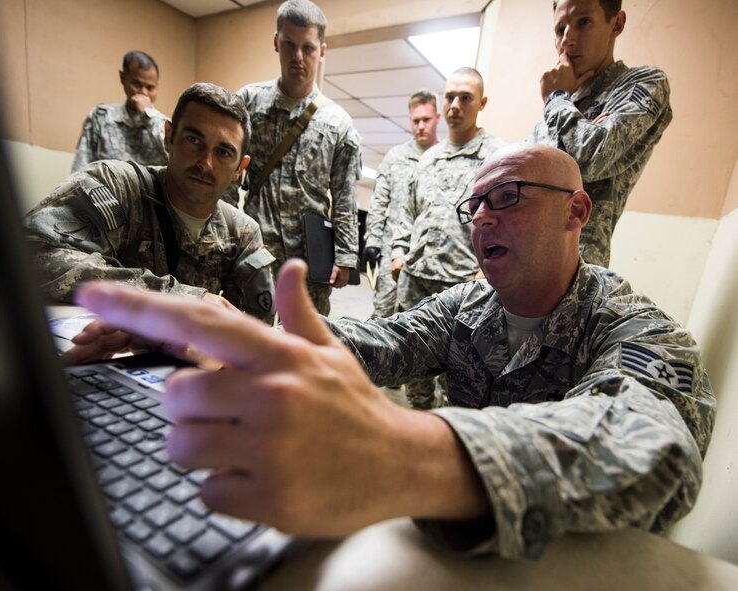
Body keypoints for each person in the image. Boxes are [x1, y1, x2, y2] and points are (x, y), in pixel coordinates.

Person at [71, 143, 714, 561]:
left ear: (576, 211)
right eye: (476, 203)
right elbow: (371, 343)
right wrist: (220, 329)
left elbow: (653, 445)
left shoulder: (632, 324)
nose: (484, 216)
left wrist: (411, 452)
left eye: (509, 196)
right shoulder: (467, 306)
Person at [24, 82, 276, 324]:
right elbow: (32, 254)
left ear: (239, 169)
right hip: (97, 356)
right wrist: (171, 297)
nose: (205, 163)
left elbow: (258, 330)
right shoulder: (116, 186)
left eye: (223, 152)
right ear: (169, 137)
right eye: (193, 140)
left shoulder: (241, 233)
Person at [222, 0, 361, 316]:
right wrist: (225, 237)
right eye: (289, 44)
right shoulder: (248, 103)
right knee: (246, 338)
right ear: (276, 43)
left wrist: (345, 257)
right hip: (253, 253)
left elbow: (344, 198)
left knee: (305, 347)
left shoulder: (338, 123)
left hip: (309, 262)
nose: (298, 57)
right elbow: (228, 178)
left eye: (308, 48)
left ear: (322, 51)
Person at [390, 68, 504, 409]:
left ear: (481, 103)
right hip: (417, 279)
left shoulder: (497, 157)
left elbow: (506, 221)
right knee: (413, 368)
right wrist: (399, 252)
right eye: (450, 97)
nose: (455, 105)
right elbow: (406, 212)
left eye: (465, 98)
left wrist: (489, 269)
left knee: (460, 377)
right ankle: (417, 433)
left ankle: (447, 444)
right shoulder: (427, 159)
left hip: (463, 285)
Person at [529, 0, 672, 267]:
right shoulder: (562, 108)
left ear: (616, 24)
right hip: (521, 258)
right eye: (560, 30)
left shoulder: (642, 83)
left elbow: (590, 159)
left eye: (583, 22)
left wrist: (556, 98)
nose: (567, 40)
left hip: (572, 272)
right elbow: (524, 181)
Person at [363, 89, 441, 318]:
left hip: (427, 258)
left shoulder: (443, 159)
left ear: (437, 118)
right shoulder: (395, 157)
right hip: (391, 255)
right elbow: (378, 203)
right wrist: (373, 241)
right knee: (382, 317)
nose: (421, 126)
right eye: (416, 121)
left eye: (426, 120)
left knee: (420, 319)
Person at [71, 50, 171, 173]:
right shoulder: (100, 117)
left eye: (150, 88)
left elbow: (174, 161)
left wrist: (148, 115)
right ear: (123, 78)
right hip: (105, 191)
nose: (144, 92)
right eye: (137, 84)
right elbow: (80, 168)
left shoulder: (165, 126)